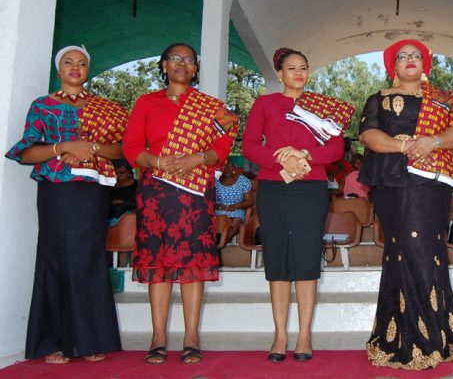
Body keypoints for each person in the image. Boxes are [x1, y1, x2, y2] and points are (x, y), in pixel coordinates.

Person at [359, 39, 453, 369]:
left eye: (416, 55)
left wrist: (434, 141)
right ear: (393, 66)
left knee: (429, 250)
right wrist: (405, 147)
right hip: (393, 180)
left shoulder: (442, 100)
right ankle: (405, 337)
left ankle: (436, 334)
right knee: (402, 250)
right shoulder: (378, 99)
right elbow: (368, 136)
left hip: (433, 183)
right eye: (402, 57)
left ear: (425, 64)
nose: (410, 60)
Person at [5, 45, 126, 363]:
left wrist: (93, 147)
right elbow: (26, 153)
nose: (76, 67)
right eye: (69, 63)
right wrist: (63, 146)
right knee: (56, 258)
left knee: (88, 258)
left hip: (91, 192)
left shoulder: (104, 108)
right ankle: (54, 341)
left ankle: (90, 339)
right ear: (58, 70)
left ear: (88, 70)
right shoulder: (43, 106)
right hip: (56, 191)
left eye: (82, 63)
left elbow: (119, 151)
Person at [122, 43, 239, 364]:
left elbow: (223, 145)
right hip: (156, 191)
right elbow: (132, 147)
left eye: (189, 60)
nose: (182, 64)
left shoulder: (211, 106)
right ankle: (158, 336)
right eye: (176, 58)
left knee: (192, 265)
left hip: (195, 193)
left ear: (195, 68)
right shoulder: (147, 102)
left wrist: (196, 158)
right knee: (158, 263)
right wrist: (157, 161)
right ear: (163, 65)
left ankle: (191, 336)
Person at [242, 47, 354, 362]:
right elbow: (250, 145)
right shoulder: (265, 104)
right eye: (291, 68)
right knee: (277, 258)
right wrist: (280, 158)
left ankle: (304, 335)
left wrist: (305, 155)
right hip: (274, 187)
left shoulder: (321, 107)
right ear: (280, 74)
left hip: (311, 188)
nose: (298, 73)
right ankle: (279, 336)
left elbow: (335, 147)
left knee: (306, 258)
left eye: (303, 67)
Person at [215, 160, 254, 248]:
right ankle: (220, 243)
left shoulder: (243, 181)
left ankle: (220, 244)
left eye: (229, 166)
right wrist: (220, 206)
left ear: (234, 167)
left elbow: (250, 201)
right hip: (219, 211)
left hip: (237, 210)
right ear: (219, 168)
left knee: (236, 220)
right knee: (220, 220)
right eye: (223, 166)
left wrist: (236, 206)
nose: (227, 169)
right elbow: (209, 201)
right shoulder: (215, 181)